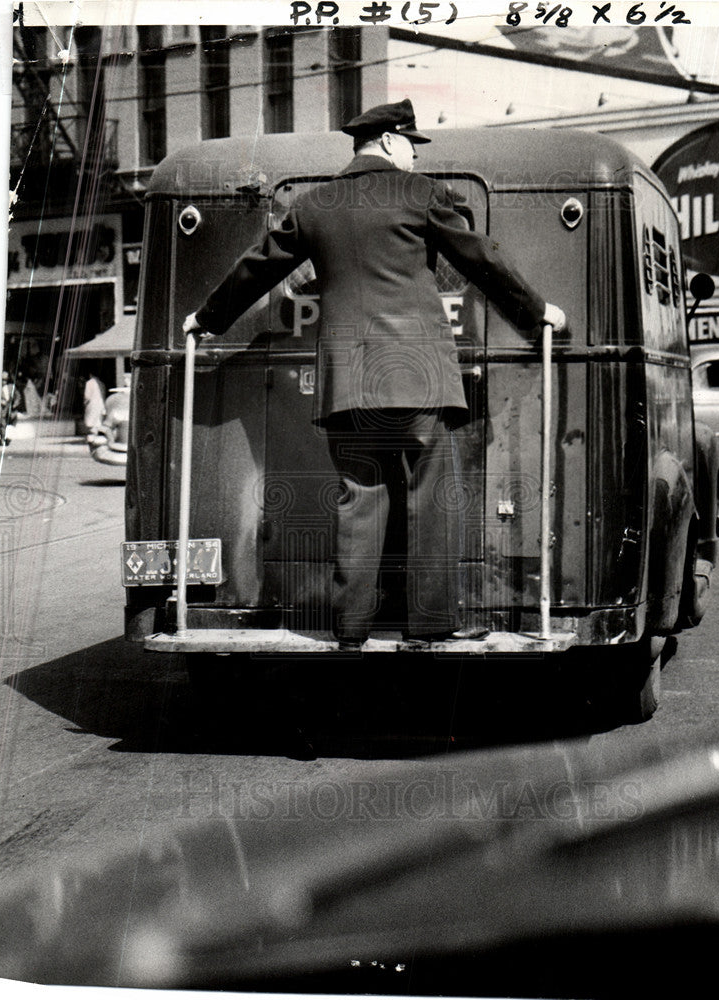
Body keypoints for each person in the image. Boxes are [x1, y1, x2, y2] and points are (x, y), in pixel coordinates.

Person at [184, 99, 566, 650]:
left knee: (359, 501)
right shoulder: (422, 194)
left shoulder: (316, 206)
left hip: (348, 382)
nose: (414, 155)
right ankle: (429, 626)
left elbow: (258, 265)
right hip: (419, 377)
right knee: (430, 498)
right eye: (412, 144)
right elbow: (481, 257)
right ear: (389, 141)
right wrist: (537, 310)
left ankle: (351, 630)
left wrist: (205, 319)